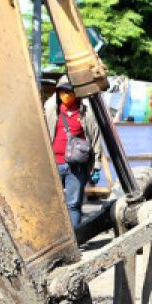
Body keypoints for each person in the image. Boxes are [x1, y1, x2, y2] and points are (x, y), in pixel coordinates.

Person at [44, 75, 101, 227]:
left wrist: (96, 166)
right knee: (51, 205)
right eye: (62, 92)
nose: (66, 95)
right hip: (53, 164)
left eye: (69, 92)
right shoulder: (51, 109)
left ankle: (76, 241)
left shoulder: (86, 113)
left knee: (73, 204)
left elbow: (95, 139)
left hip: (77, 167)